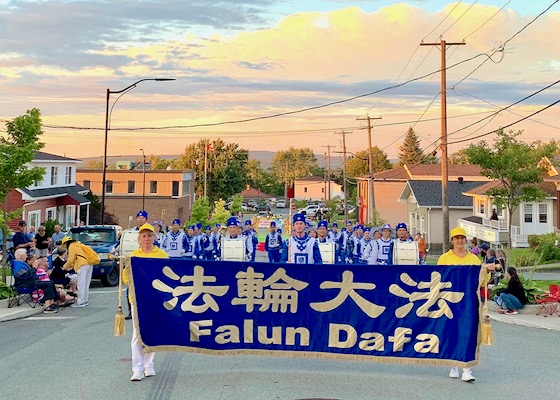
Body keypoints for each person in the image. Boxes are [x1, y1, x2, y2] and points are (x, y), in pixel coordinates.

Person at [123, 223, 169, 381]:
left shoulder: (161, 254)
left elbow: (167, 274)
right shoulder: (134, 256)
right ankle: (137, 368)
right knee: (137, 334)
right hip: (137, 299)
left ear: (154, 237)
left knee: (152, 332)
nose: (147, 239)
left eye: (150, 235)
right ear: (139, 239)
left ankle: (149, 364)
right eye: (144, 236)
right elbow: (125, 277)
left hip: (155, 298)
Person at [437, 226, 480, 383]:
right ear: (452, 240)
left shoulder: (473, 259)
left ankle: (466, 369)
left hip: (468, 301)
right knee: (451, 331)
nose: (460, 241)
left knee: (467, 332)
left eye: (462, 238)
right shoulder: (444, 258)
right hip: (448, 300)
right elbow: (438, 278)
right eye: (457, 238)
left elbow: (481, 278)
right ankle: (453, 364)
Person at [12, 248, 59, 313]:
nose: (27, 256)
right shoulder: (17, 265)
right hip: (23, 285)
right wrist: (34, 267)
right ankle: (47, 306)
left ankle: (52, 302)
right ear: (21, 256)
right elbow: (24, 276)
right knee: (47, 284)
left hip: (29, 282)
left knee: (50, 282)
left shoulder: (21, 263)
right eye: (26, 254)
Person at [61, 236, 94, 308]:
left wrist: (64, 267)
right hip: (89, 263)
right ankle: (85, 300)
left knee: (81, 284)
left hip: (81, 265)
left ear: (66, 243)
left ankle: (80, 301)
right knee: (86, 284)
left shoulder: (72, 246)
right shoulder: (78, 244)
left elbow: (71, 259)